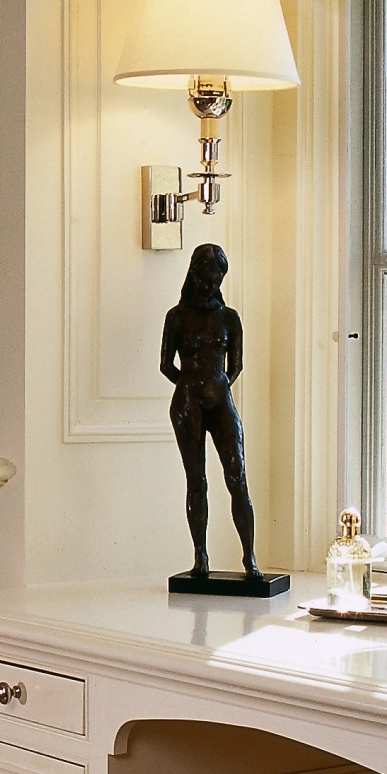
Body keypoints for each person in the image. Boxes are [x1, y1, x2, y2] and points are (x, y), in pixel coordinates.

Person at [159, 242, 263, 585]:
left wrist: (217, 386)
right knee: (196, 480)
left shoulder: (229, 318)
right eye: (206, 278)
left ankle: (249, 557)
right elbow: (165, 365)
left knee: (237, 477)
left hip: (220, 400)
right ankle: (200, 555)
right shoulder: (176, 317)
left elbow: (236, 365)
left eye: (217, 279)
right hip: (187, 402)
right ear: (194, 275)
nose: (211, 285)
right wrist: (190, 385)